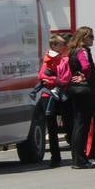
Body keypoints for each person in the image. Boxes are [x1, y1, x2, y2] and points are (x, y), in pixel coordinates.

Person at [65, 26, 95, 169]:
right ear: (83, 37)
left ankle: (77, 158)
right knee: (82, 125)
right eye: (90, 36)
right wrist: (85, 76)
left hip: (75, 91)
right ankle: (80, 159)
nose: (93, 39)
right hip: (84, 91)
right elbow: (85, 66)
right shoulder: (82, 51)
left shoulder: (72, 51)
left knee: (78, 125)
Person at [37, 34, 71, 166]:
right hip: (50, 96)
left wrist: (55, 80)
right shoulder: (49, 59)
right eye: (62, 44)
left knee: (69, 124)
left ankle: (75, 154)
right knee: (52, 128)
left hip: (61, 93)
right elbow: (42, 76)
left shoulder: (63, 58)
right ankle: (55, 157)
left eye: (64, 44)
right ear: (54, 46)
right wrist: (56, 80)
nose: (64, 46)